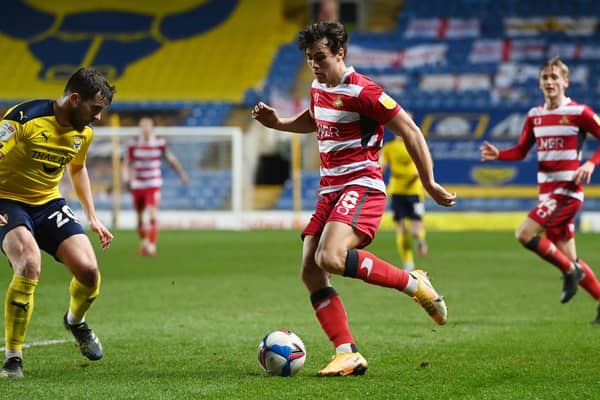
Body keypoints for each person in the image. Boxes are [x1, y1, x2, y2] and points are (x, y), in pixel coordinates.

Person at [252, 21, 456, 376]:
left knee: (330, 256)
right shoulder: (318, 86)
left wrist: (430, 182)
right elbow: (315, 118)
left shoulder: (364, 91)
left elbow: (410, 129)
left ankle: (414, 283)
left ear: (340, 53)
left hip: (361, 186)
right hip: (329, 190)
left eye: (321, 57)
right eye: (309, 58)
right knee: (311, 272)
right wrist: (279, 124)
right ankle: (347, 352)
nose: (314, 65)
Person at [0, 67, 116, 378]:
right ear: (75, 99)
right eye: (95, 109)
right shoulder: (23, 119)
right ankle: (13, 358)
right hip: (6, 199)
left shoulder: (84, 133)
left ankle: (75, 322)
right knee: (28, 262)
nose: (98, 118)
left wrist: (91, 215)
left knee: (89, 271)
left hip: (48, 203)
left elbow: (77, 169)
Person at [480, 57, 600, 322]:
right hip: (547, 193)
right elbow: (522, 150)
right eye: (545, 77)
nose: (549, 82)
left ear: (565, 82)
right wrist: (500, 154)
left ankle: (570, 271)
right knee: (570, 255)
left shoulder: (581, 113)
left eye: (554, 77)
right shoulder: (535, 115)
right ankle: (589, 287)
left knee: (524, 233)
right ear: (539, 83)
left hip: (567, 191)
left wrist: (591, 163)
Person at [122, 117, 189, 256]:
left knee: (152, 214)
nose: (145, 129)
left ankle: (151, 246)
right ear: (140, 128)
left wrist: (181, 173)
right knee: (140, 218)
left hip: (153, 183)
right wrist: (126, 177)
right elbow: (126, 163)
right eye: (143, 126)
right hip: (138, 184)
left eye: (148, 126)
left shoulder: (159, 143)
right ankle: (145, 242)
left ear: (152, 128)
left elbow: (171, 159)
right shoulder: (133, 145)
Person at [381, 134, 428, 271]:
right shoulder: (389, 147)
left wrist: (422, 172)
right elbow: (382, 165)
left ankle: (420, 240)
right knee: (401, 228)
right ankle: (408, 263)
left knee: (414, 230)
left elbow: (427, 162)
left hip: (415, 192)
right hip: (397, 191)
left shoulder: (416, 143)